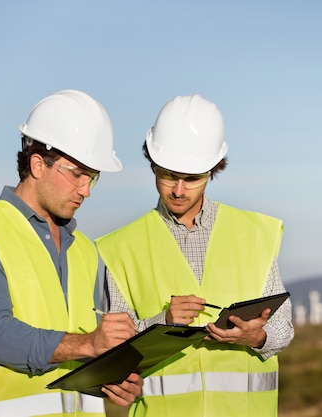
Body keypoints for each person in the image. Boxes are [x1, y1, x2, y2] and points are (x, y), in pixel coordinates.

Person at [0, 89, 143, 417]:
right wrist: (87, 344)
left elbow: (95, 348)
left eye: (92, 176)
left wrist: (116, 379)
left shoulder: (86, 251)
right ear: (38, 164)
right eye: (77, 173)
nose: (87, 190)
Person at [95, 94, 294, 417]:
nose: (177, 189)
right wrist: (163, 322)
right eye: (167, 175)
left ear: (214, 169)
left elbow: (284, 329)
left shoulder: (255, 234)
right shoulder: (122, 248)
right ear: (152, 164)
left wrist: (258, 336)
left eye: (191, 179)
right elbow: (115, 349)